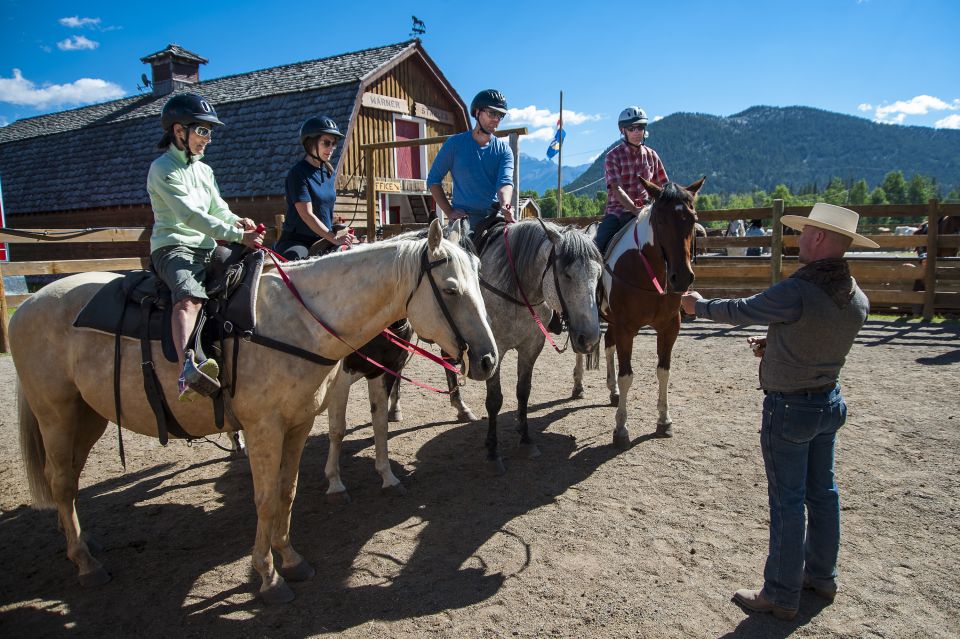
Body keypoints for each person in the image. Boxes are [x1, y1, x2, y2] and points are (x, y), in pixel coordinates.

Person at [680, 203, 879, 620]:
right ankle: (822, 577)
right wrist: (777, 348)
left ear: (820, 237)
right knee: (823, 494)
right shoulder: (855, 296)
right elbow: (816, 339)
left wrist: (699, 306)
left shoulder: (799, 290)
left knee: (787, 501)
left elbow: (744, 309)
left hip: (790, 407)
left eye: (805, 232)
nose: (799, 238)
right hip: (828, 402)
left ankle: (780, 593)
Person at [147, 93, 264, 401]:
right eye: (202, 130)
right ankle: (188, 366)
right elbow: (189, 215)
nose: (208, 138)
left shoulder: (204, 170)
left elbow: (217, 208)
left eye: (210, 131)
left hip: (206, 246)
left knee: (249, 275)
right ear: (178, 130)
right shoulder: (162, 169)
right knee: (188, 298)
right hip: (174, 247)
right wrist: (236, 236)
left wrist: (238, 222)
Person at [427, 89, 515, 235]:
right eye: (492, 113)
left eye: (501, 115)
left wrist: (505, 205)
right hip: (463, 221)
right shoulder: (454, 144)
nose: (496, 119)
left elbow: (505, 183)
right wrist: (449, 211)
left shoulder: (504, 151)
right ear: (477, 112)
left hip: (493, 218)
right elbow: (433, 180)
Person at [274, 116, 355, 260]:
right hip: (298, 241)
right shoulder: (298, 173)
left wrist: (335, 228)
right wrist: (333, 238)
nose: (331, 148)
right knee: (294, 261)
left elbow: (324, 208)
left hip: (324, 238)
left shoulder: (329, 173)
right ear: (311, 143)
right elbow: (307, 215)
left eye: (334, 143)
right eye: (326, 143)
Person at [594, 106, 669, 254]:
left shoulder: (652, 156)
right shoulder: (613, 156)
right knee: (597, 248)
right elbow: (616, 189)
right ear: (623, 130)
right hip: (618, 213)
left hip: (648, 211)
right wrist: (635, 210)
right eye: (631, 128)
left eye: (640, 127)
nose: (636, 132)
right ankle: (596, 275)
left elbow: (664, 187)